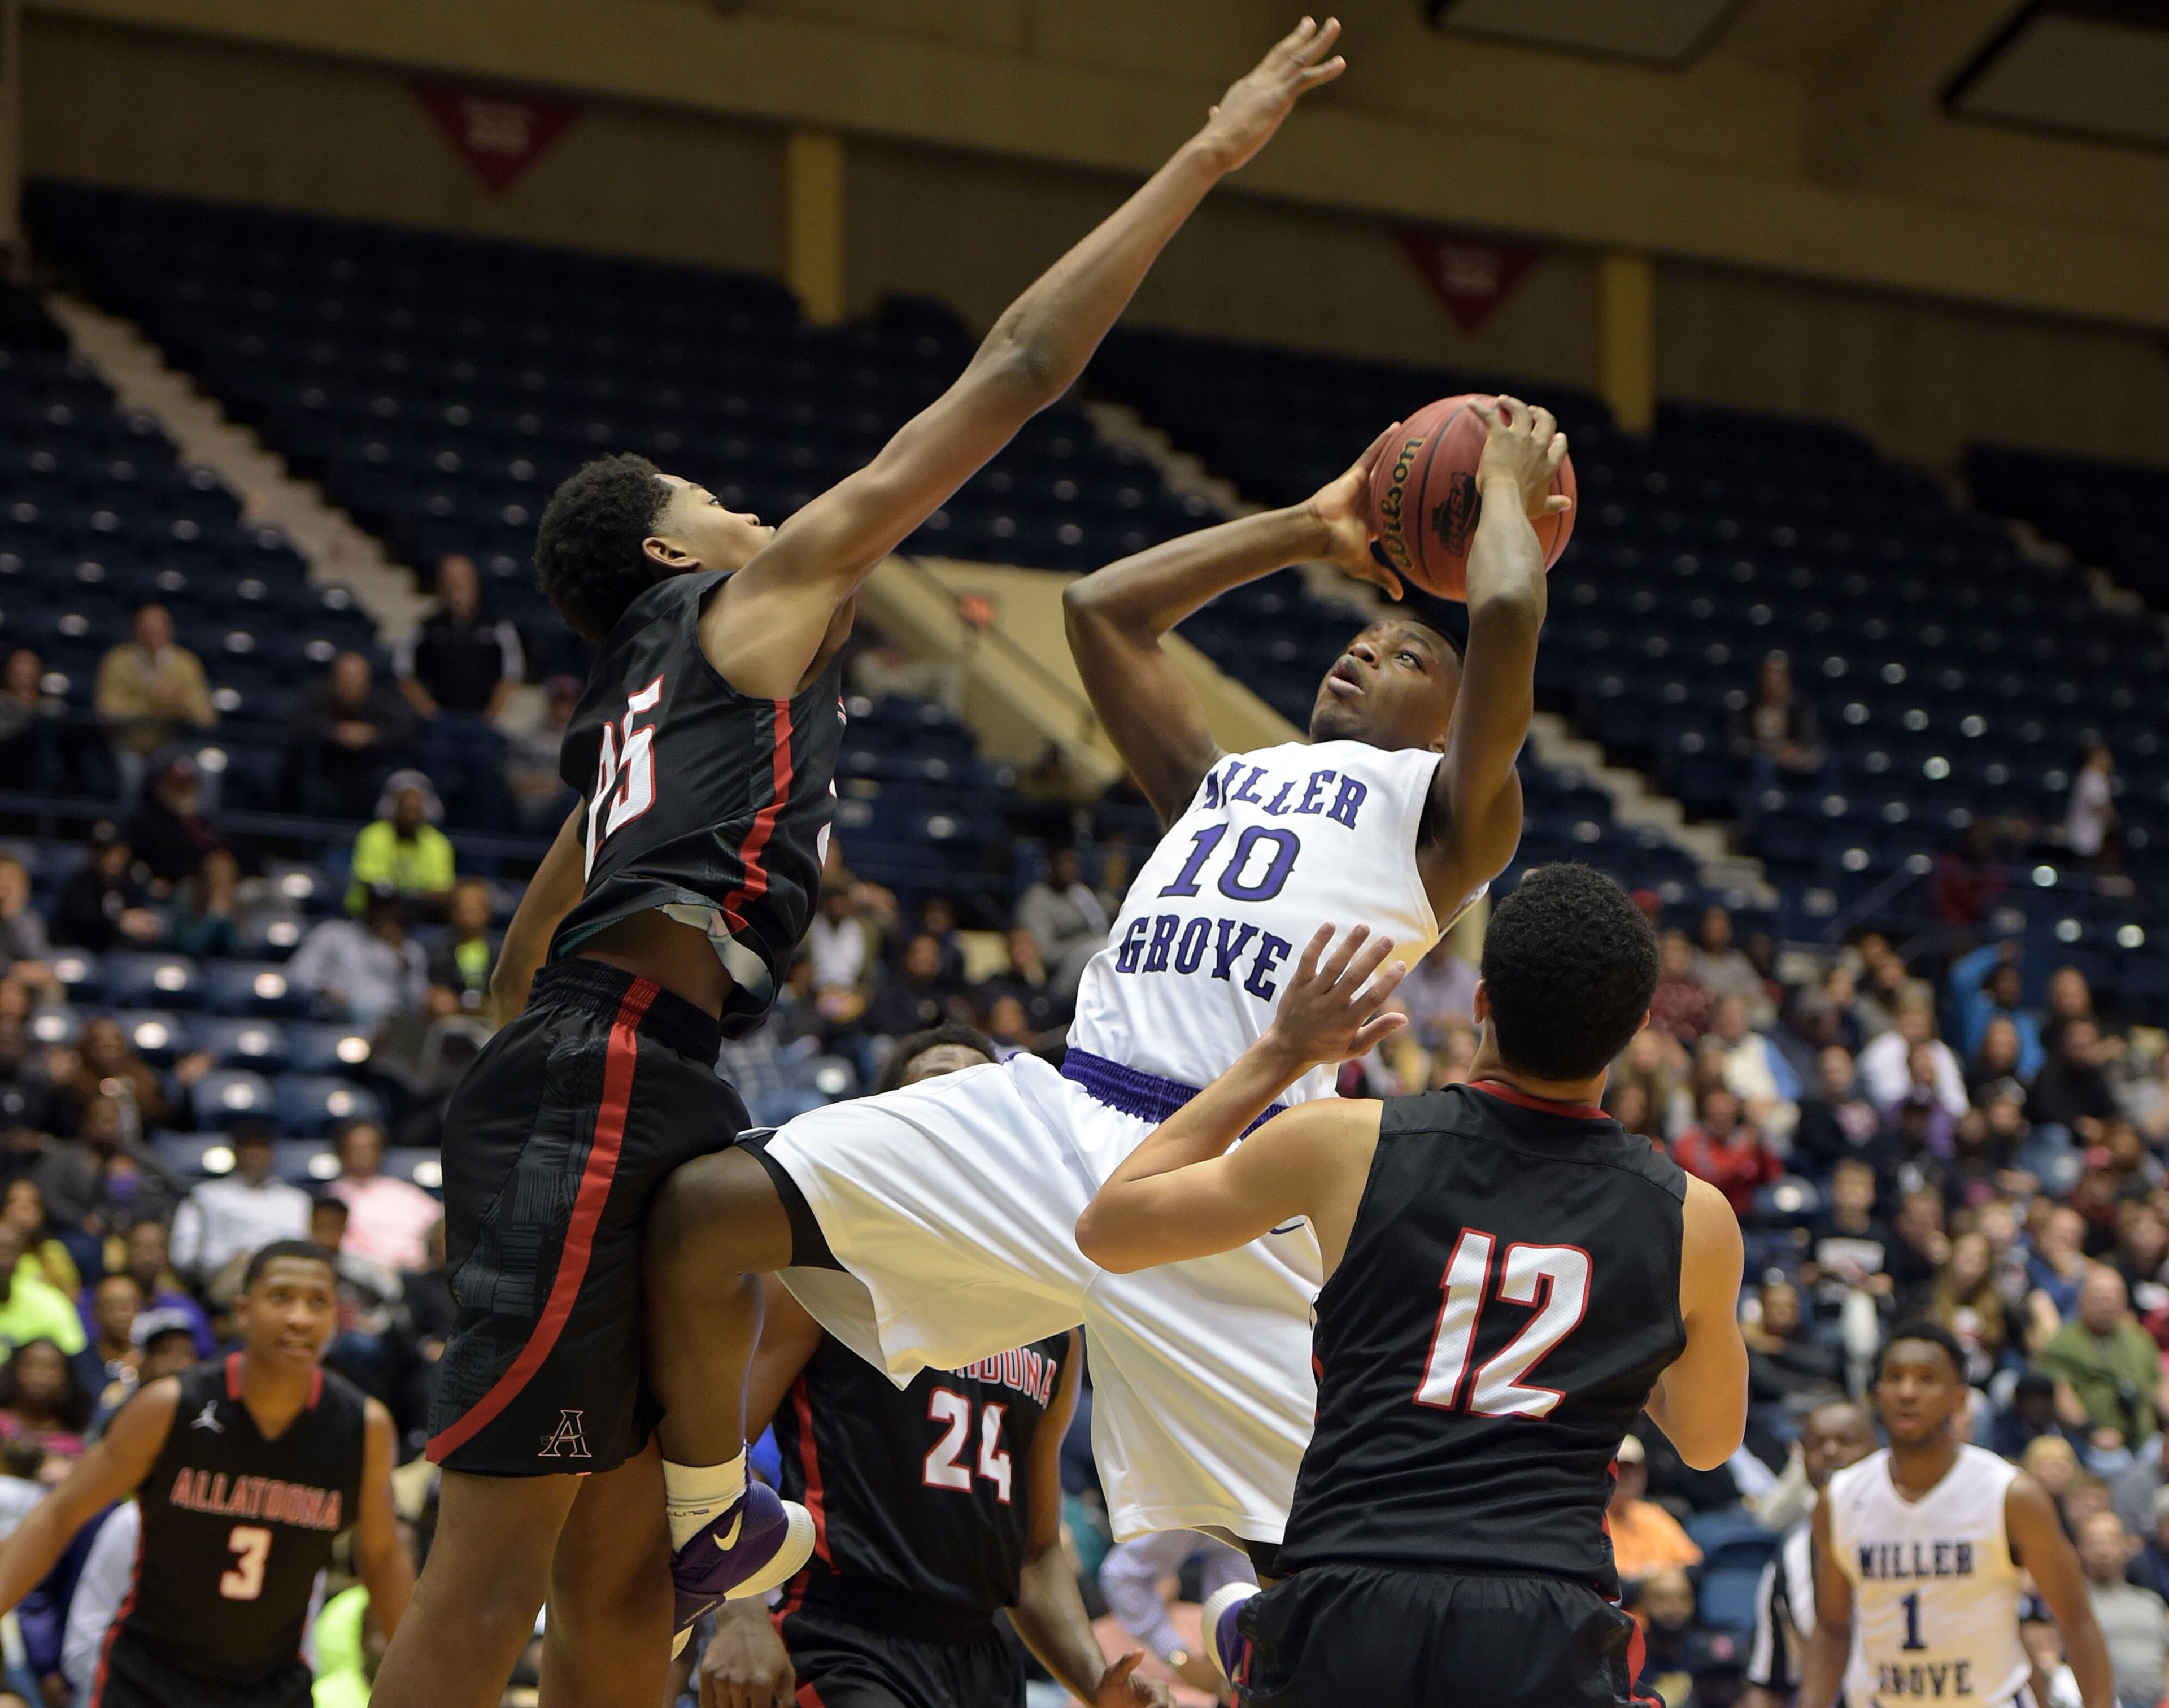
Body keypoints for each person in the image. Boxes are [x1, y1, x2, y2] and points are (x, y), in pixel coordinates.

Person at [379, 29, 1349, 1707]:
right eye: (715, 500)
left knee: (619, 1581)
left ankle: (705, 1528)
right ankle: (716, 1527)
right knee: (494, 1572)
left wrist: (522, 1056)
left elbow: (538, 912)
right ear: (670, 552)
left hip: (627, 1068)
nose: (752, 512)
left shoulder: (639, 705)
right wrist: (1205, 150)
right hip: (600, 1073)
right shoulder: (730, 614)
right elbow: (1019, 366)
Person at [657, 384, 1566, 1650]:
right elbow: (1104, 609)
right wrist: (1310, 526)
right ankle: (712, 1518)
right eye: (1362, 638)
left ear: (1448, 716)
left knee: (1340, 1555)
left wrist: (1509, 493)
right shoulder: (1222, 782)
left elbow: (1511, 607)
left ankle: (1287, 1644)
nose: (1366, 648)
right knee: (705, 1210)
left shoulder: (1446, 821)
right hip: (1064, 1110)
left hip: (1228, 1180)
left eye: (1411, 653)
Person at [1071, 865, 1748, 1702]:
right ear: (1635, 1028)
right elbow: (1712, 1440)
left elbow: (1112, 1226)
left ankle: (1244, 1635)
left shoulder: (1346, 1144)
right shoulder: (1693, 1220)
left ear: (1481, 1000)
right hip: (1543, 1618)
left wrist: (1284, 1052)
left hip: (1351, 1598)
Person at [696, 1027, 1171, 1708]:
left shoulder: (1056, 1319)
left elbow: (1035, 1557)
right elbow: (714, 1448)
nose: (956, 1109)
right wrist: (738, 1611)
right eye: (933, 1091)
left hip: (981, 1657)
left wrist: (1097, 1681)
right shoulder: (826, 1270)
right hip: (844, 1636)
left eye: (975, 1094)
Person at [0, 1241, 412, 1708]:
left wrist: (426, 1687)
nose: (300, 1317)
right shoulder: (169, 1407)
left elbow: (381, 1557)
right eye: (280, 1297)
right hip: (148, 1681)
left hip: (272, 1688)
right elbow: (59, 1514)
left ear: (337, 1318)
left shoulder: (363, 1428)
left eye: (318, 1302)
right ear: (243, 1311)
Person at [1798, 1323, 2113, 1708]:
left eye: (1927, 1379)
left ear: (1960, 1399)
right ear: (1877, 1395)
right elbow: (1832, 1629)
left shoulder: (2011, 1496)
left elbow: (2076, 1620)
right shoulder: (1840, 1500)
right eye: (1895, 1378)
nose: (1908, 1392)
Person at [1742, 1402, 1877, 1708]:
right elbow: (1770, 1684)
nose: (1831, 1452)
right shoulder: (1789, 1560)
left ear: (1877, 1452)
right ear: (1802, 1458)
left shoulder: (1918, 1529)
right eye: (1818, 1444)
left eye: (1847, 1441)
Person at [1100, 1531, 1255, 1702]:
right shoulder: (1103, 1634)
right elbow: (1123, 1575)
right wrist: (1180, 1660)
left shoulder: (1192, 1618)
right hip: (1249, 1677)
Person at [2035, 1265, 2167, 1457]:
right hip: (2090, 1442)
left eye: (2114, 1298)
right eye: (2100, 1298)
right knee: (2111, 1463)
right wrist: (2092, 1432)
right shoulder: (2061, 1346)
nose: (2108, 1304)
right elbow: (2062, 1396)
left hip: (2146, 1438)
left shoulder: (2140, 1339)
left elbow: (2161, 1385)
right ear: (2082, 1301)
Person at [94, 603, 214, 800]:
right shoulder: (117, 661)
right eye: (147, 630)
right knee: (130, 772)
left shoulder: (186, 664)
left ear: (170, 630)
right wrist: (153, 701)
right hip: (129, 746)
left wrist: (179, 702)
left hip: (170, 747)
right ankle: (128, 828)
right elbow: (108, 710)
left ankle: (197, 830)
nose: (153, 636)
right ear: (136, 631)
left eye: (158, 630)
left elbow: (206, 717)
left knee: (203, 770)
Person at [169, 1123, 313, 1286]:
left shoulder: (295, 1200)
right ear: (236, 1152)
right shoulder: (206, 1195)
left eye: (262, 1148)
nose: (255, 1155)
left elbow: (301, 1249)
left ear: (273, 1154)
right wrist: (232, 1260)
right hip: (221, 1278)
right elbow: (184, 1255)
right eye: (248, 1148)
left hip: (283, 1276)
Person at [393, 554, 524, 722]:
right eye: (450, 580)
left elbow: (511, 675)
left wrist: (490, 716)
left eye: (461, 580)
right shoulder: (423, 628)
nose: (456, 586)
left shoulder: (499, 628)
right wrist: (432, 713)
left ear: (474, 582)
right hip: (438, 721)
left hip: (481, 721)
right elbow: (404, 674)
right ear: (439, 584)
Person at [290, 651, 419, 821]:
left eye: (358, 678)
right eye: (346, 678)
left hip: (370, 772)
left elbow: (403, 729)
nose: (352, 684)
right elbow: (300, 723)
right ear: (334, 680)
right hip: (326, 771)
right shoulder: (317, 697)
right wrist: (336, 732)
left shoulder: (381, 701)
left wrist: (372, 735)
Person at [2076, 1510, 2164, 1708]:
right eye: (2094, 1542)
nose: (2103, 1550)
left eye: (2111, 1541)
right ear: (2079, 1548)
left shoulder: (2150, 1603)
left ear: (2127, 1546)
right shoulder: (2072, 1605)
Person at [325, 1121, 438, 1274]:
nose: (363, 1154)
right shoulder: (332, 1195)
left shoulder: (404, 1191)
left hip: (418, 1272)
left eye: (370, 1148)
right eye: (356, 1148)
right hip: (365, 1275)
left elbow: (439, 1223)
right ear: (341, 1152)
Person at [345, 772, 456, 916]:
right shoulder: (373, 836)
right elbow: (373, 889)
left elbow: (440, 894)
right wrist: (417, 896)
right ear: (393, 807)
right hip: (369, 917)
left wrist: (400, 896)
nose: (410, 816)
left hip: (418, 920)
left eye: (415, 810)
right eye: (406, 809)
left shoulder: (438, 844)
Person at [1606, 1433, 1704, 1585]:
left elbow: (1693, 1564)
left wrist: (1653, 1576)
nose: (1627, 1478)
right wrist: (1657, 1576)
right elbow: (1608, 1581)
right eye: (1619, 1470)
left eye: (1632, 1470)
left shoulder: (1653, 1515)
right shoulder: (1591, 1519)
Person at [1015, 847, 1112, 998]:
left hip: (1092, 963)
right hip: (1058, 977)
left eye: (1072, 862)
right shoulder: (1038, 898)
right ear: (1050, 865)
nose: (1068, 868)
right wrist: (1086, 943)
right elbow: (1045, 954)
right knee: (1102, 948)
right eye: (1063, 862)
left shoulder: (1082, 894)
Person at [53, 823, 160, 951]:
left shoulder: (131, 882)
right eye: (104, 852)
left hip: (117, 951)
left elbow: (137, 913)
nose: (111, 859)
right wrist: (119, 922)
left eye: (116, 852)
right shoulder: (80, 882)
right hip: (80, 948)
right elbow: (83, 923)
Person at [425, 879, 498, 1012]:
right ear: (452, 912)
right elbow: (435, 989)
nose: (468, 916)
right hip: (451, 1019)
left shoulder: (502, 952)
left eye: (474, 909)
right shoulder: (438, 950)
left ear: (487, 912)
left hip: (492, 1019)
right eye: (463, 909)